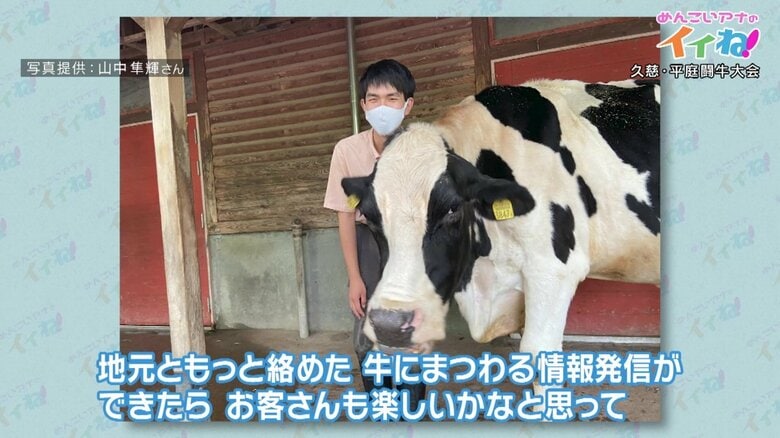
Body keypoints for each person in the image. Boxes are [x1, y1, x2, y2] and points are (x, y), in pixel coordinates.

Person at [323, 59, 425, 407]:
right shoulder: (347, 151)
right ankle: (382, 407)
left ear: (407, 105)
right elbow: (345, 215)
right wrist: (354, 277)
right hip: (368, 240)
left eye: (392, 98)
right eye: (374, 98)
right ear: (364, 105)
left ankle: (410, 411)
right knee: (366, 336)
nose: (383, 106)